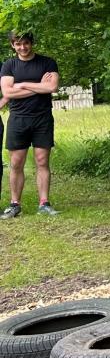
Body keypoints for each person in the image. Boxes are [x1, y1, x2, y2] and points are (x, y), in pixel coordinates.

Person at [0, 32, 59, 219]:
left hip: (42, 118)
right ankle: (15, 204)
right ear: (12, 45)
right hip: (18, 119)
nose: (22, 47)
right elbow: (8, 91)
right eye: (18, 44)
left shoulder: (47, 63)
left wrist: (22, 85)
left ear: (31, 43)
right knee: (16, 163)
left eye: (26, 43)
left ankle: (44, 203)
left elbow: (51, 88)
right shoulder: (9, 65)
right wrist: (37, 86)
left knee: (42, 161)